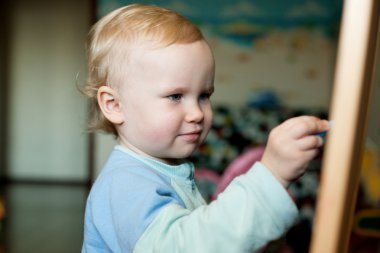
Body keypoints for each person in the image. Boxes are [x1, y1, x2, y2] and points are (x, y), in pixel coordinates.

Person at [81, 4, 330, 253]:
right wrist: (271, 176)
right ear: (114, 105)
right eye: (176, 96)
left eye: (204, 95)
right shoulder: (124, 183)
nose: (198, 113)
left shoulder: (166, 169)